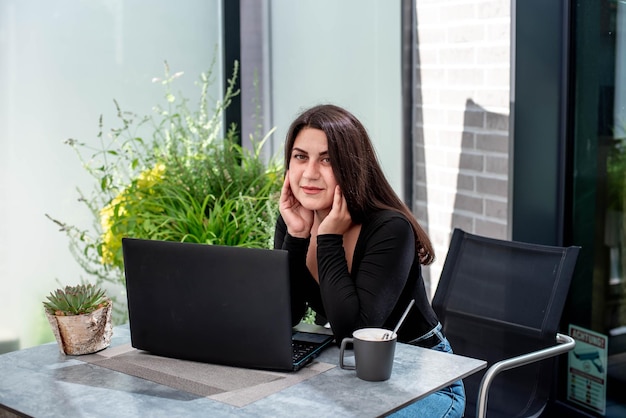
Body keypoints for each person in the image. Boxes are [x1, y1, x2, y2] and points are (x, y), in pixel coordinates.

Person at [273, 104, 465, 417]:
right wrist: (295, 237)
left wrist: (328, 239)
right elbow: (286, 315)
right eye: (300, 157)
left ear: (350, 166)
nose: (309, 173)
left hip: (423, 377)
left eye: (327, 159)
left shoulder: (389, 229)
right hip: (348, 372)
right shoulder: (295, 220)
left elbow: (356, 333)